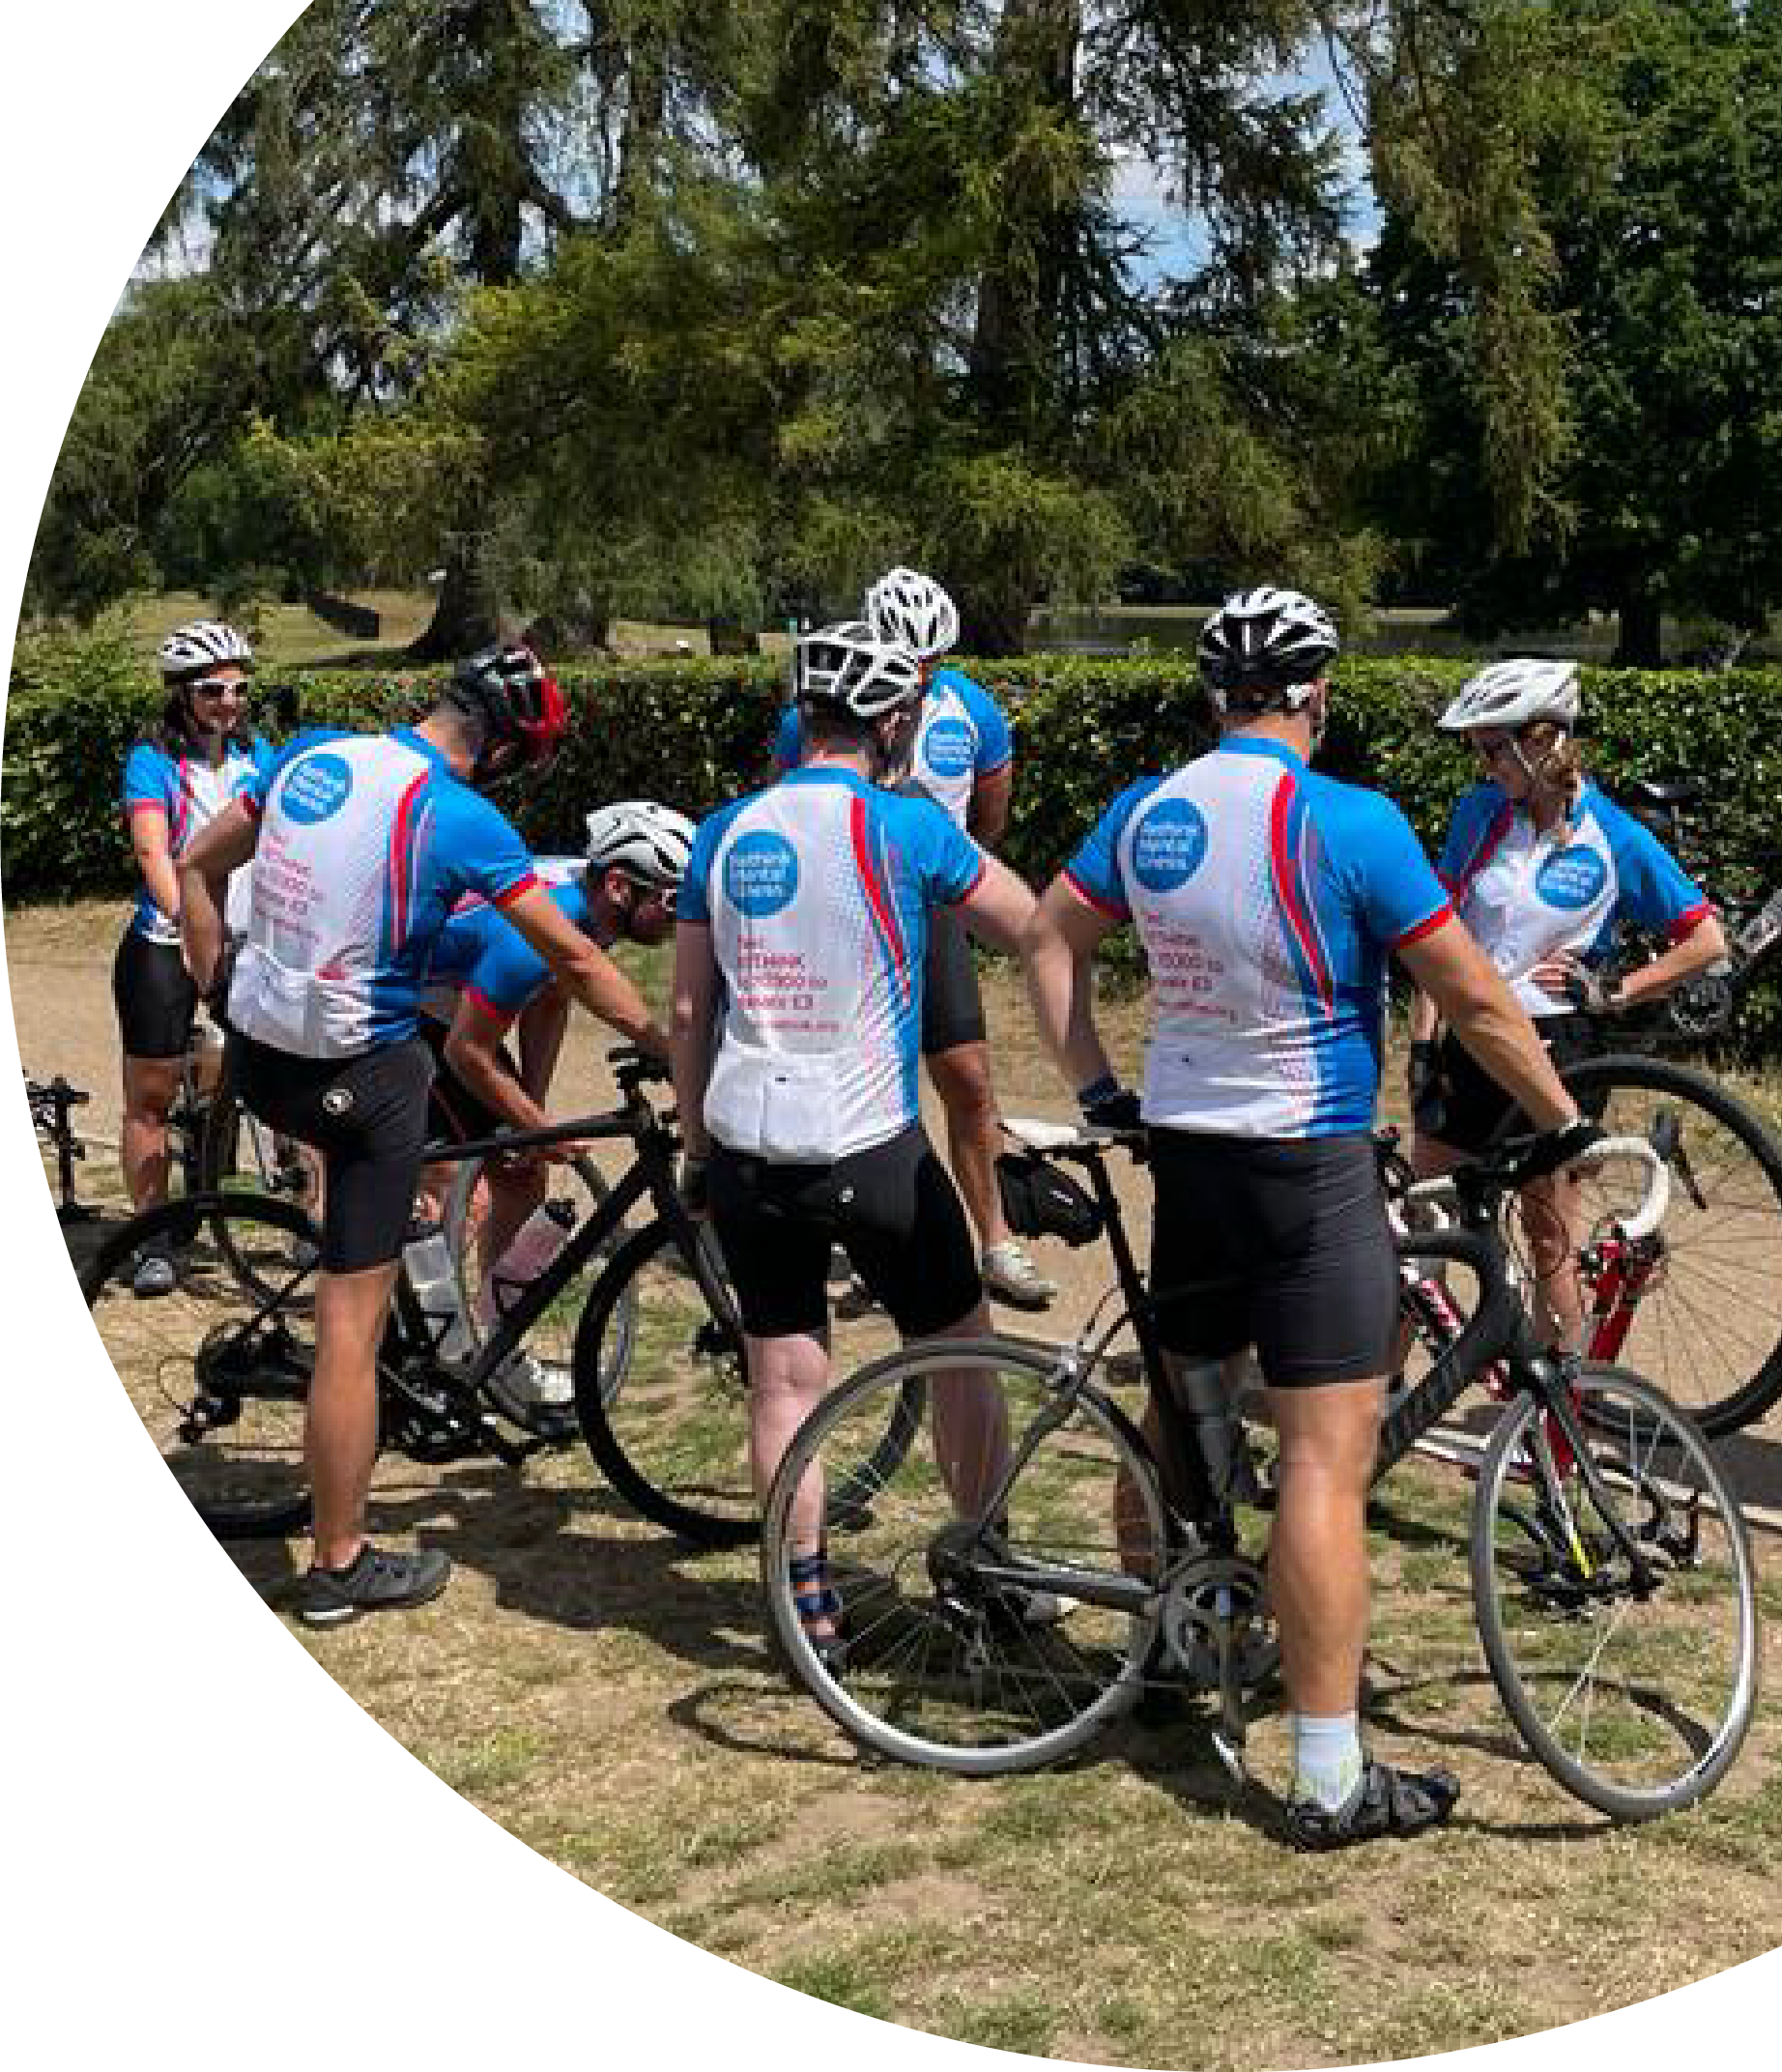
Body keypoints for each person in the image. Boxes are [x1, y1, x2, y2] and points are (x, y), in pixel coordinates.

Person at [1024, 586, 1597, 1850]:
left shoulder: (1148, 808)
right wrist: (1561, 1119)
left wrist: (1095, 1085)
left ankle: (1173, 1646)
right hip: (1308, 1160)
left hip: (1189, 1152)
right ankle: (1331, 1778)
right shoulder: (1350, 820)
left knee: (1191, 1410)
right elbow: (1479, 1001)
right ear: (1318, 696)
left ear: (1208, 697)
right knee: (1326, 1469)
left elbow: (1046, 941)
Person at [178, 645, 668, 1626]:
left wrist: (214, 985)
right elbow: (570, 955)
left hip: (261, 1051)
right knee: (347, 1326)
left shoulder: (313, 752)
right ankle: (338, 1562)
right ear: (502, 751)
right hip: (360, 1073)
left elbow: (195, 864)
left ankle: (427, 1314)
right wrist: (665, 1044)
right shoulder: (462, 816)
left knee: (424, 1190)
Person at [674, 620, 1041, 1667]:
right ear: (891, 722)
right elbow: (1029, 924)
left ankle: (806, 1609)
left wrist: (696, 1146)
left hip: (748, 1143)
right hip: (870, 1142)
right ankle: (988, 1571)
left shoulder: (722, 829)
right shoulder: (907, 825)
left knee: (782, 1380)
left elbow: (689, 1015)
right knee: (959, 1348)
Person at [1407, 657, 1727, 1350]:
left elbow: (1704, 941)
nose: (1485, 766)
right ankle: (1376, 1397)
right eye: (1478, 750)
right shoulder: (1478, 815)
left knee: (1547, 1225)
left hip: (1558, 1043)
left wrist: (1616, 990)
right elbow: (1441, 931)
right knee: (1422, 1219)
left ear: (1545, 738)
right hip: (1470, 1035)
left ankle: (1565, 1406)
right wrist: (1423, 1043)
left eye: (1494, 749)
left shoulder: (1617, 837)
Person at [773, 566, 1055, 1310]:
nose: (919, 676)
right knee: (859, 1076)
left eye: (932, 663)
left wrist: (962, 882)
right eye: (907, 661)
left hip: (930, 907)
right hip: (845, 915)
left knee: (967, 1078)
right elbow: (786, 807)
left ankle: (994, 1237)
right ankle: (866, 1235)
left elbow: (991, 811)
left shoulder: (974, 710)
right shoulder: (815, 713)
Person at [414, 799, 691, 1423]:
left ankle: (491, 1345)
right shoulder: (543, 929)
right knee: (459, 1193)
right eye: (669, 899)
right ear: (619, 885)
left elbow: (550, 1001)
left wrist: (529, 1116)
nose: (678, 917)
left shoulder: (585, 910)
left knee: (521, 1175)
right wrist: (533, 1126)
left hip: (445, 1011)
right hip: (409, 1017)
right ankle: (441, 1356)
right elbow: (466, 1052)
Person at [115, 620, 273, 1295]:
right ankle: (150, 1237)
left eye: (239, 688)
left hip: (245, 942)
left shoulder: (256, 753)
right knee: (150, 1097)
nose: (229, 702)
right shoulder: (153, 760)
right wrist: (188, 922)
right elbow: (156, 853)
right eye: (213, 690)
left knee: (262, 1076)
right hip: (164, 942)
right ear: (182, 693)